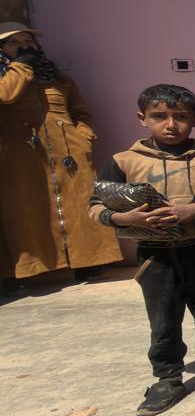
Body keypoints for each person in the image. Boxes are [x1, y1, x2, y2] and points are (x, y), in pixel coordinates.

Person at [89, 84, 195, 415]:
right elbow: (96, 206)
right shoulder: (124, 162)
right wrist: (126, 216)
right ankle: (167, 378)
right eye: (159, 117)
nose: (171, 125)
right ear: (142, 118)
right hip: (155, 256)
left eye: (180, 117)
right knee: (163, 320)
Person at [0, 20, 122, 289]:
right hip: (22, 153)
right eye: (14, 43)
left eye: (28, 42)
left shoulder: (60, 79)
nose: (24, 47)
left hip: (69, 150)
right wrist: (21, 65)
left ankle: (89, 262)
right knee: (25, 208)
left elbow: (81, 111)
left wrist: (83, 136)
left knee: (78, 203)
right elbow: (6, 95)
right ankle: (27, 270)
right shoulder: (7, 76)